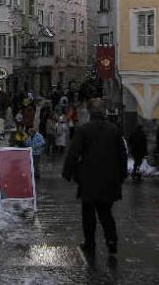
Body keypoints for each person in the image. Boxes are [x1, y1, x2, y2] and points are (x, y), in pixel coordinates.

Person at [62, 98, 128, 255]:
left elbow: (74, 153)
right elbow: (122, 154)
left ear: (90, 112)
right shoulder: (114, 130)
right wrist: (122, 174)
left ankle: (90, 242)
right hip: (109, 178)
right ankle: (111, 241)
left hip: (89, 178)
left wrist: (68, 172)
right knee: (106, 212)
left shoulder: (84, 130)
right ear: (103, 111)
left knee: (88, 213)